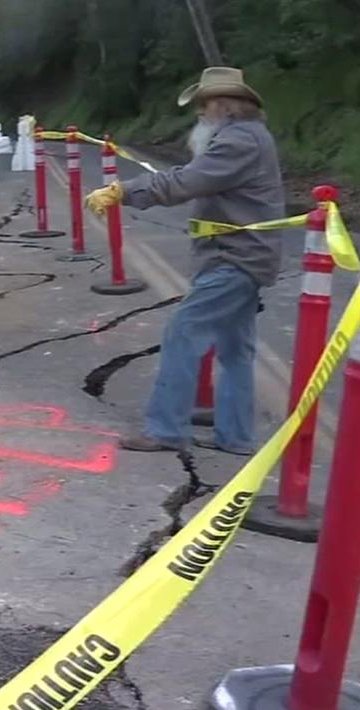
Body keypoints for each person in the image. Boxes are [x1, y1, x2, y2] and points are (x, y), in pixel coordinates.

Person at [85, 67, 285, 456]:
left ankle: (165, 429)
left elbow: (184, 182)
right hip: (242, 256)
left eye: (204, 104)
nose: (199, 113)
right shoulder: (242, 137)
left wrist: (121, 190)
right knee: (235, 350)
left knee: (183, 334)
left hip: (235, 258)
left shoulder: (238, 142)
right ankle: (237, 436)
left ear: (225, 106)